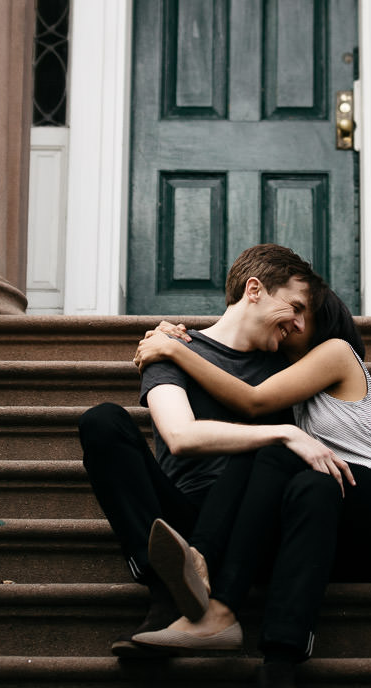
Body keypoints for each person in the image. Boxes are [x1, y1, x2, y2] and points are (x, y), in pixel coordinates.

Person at [127, 285, 371, 686]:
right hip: (338, 519)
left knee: (275, 443)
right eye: (293, 309)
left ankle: (210, 581)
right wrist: (174, 333)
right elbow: (231, 356)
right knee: (301, 476)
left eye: (307, 314)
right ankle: (280, 662)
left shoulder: (336, 352)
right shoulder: (280, 374)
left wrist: (173, 349)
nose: (296, 322)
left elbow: (251, 401)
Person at [75, 244, 354, 657]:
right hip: (181, 516)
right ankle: (167, 587)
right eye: (294, 307)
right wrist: (281, 433)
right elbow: (181, 437)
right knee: (102, 422)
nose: (297, 325)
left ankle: (197, 601)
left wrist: (280, 434)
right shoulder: (170, 350)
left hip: (253, 523)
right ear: (254, 289)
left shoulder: (286, 370)